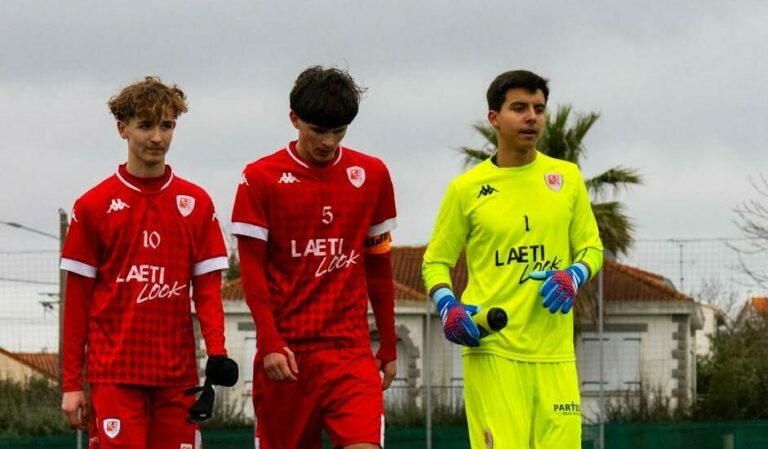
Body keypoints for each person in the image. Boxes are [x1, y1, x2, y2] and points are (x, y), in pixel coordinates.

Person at [422, 70, 604, 449]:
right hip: (493, 350)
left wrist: (573, 275)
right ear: (494, 118)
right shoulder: (466, 189)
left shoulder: (566, 177)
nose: (532, 117)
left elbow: (591, 248)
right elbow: (435, 261)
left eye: (538, 108)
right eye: (519, 108)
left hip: (555, 355)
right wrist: (447, 306)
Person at [59, 76, 238, 449]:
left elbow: (207, 294)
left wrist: (217, 352)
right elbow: (77, 304)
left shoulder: (197, 204)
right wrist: (72, 384)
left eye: (167, 125)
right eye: (146, 126)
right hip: (115, 376)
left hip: (177, 377)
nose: (157, 137)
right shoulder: (92, 207)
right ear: (122, 129)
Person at [232, 66, 398, 449]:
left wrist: (387, 345)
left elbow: (378, 266)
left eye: (339, 131)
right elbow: (252, 270)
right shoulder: (260, 178)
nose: (328, 142)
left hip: (350, 352)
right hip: (287, 356)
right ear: (294, 120)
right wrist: (270, 343)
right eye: (318, 130)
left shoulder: (371, 175)